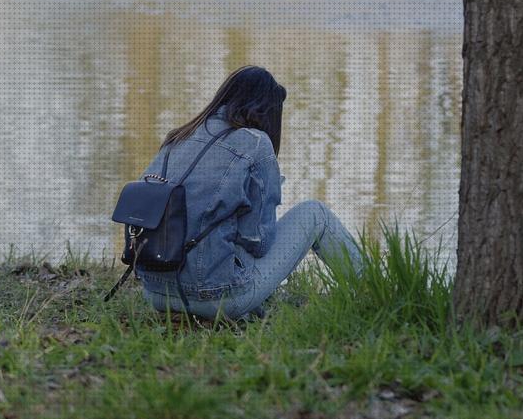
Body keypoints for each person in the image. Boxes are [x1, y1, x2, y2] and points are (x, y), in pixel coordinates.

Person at [134, 65, 363, 319]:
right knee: (315, 213)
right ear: (268, 112)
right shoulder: (256, 143)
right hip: (216, 298)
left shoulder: (177, 137)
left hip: (156, 292)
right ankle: (371, 290)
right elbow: (259, 242)